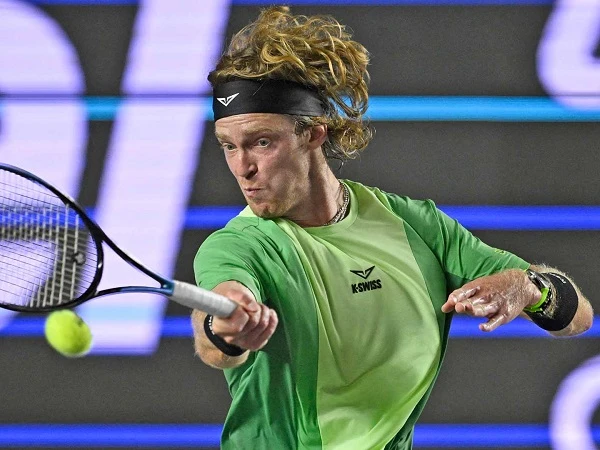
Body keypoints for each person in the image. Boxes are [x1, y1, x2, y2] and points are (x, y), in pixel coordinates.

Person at [190, 6, 594, 449]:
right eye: (228, 146)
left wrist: (527, 286)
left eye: (262, 142)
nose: (242, 167)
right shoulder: (237, 246)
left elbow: (577, 318)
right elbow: (217, 329)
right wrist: (225, 328)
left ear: (313, 134)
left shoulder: (415, 225)